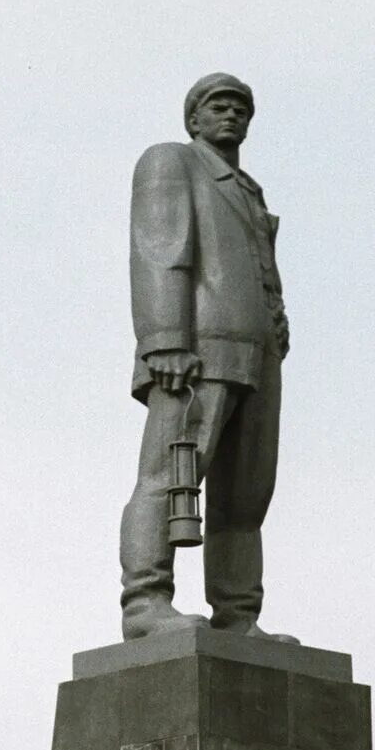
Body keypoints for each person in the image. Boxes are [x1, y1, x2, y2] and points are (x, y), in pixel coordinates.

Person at [121, 73, 294, 642]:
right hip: (197, 350)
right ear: (193, 118)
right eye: (218, 106)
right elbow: (160, 249)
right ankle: (146, 603)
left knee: (246, 497)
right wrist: (165, 338)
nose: (231, 116)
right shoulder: (172, 162)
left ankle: (238, 614)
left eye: (241, 108)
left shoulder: (249, 189)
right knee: (169, 475)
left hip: (258, 356)